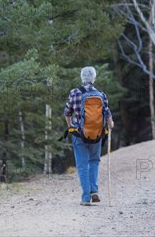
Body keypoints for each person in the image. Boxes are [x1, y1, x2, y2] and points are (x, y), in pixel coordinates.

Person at [64, 66, 114, 206]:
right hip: (96, 135)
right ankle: (94, 191)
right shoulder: (101, 95)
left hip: (79, 135)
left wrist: (70, 127)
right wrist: (110, 124)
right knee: (94, 162)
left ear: (82, 78)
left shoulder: (74, 93)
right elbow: (109, 118)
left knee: (82, 165)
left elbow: (67, 112)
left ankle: (86, 197)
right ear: (94, 78)